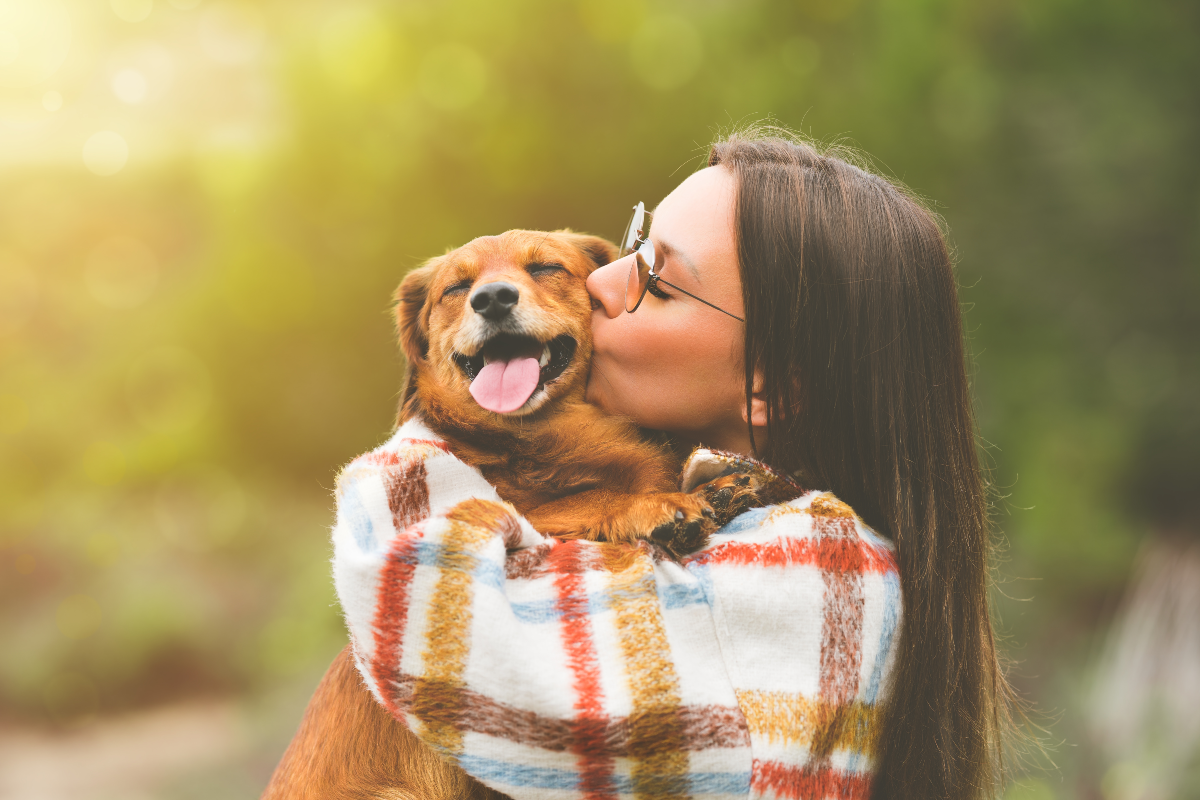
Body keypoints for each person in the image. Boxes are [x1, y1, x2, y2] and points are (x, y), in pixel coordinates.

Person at [265, 126, 1017, 800]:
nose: (601, 282)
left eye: (657, 278)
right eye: (636, 241)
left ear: (771, 385)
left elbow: (432, 603)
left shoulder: (819, 570)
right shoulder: (707, 518)